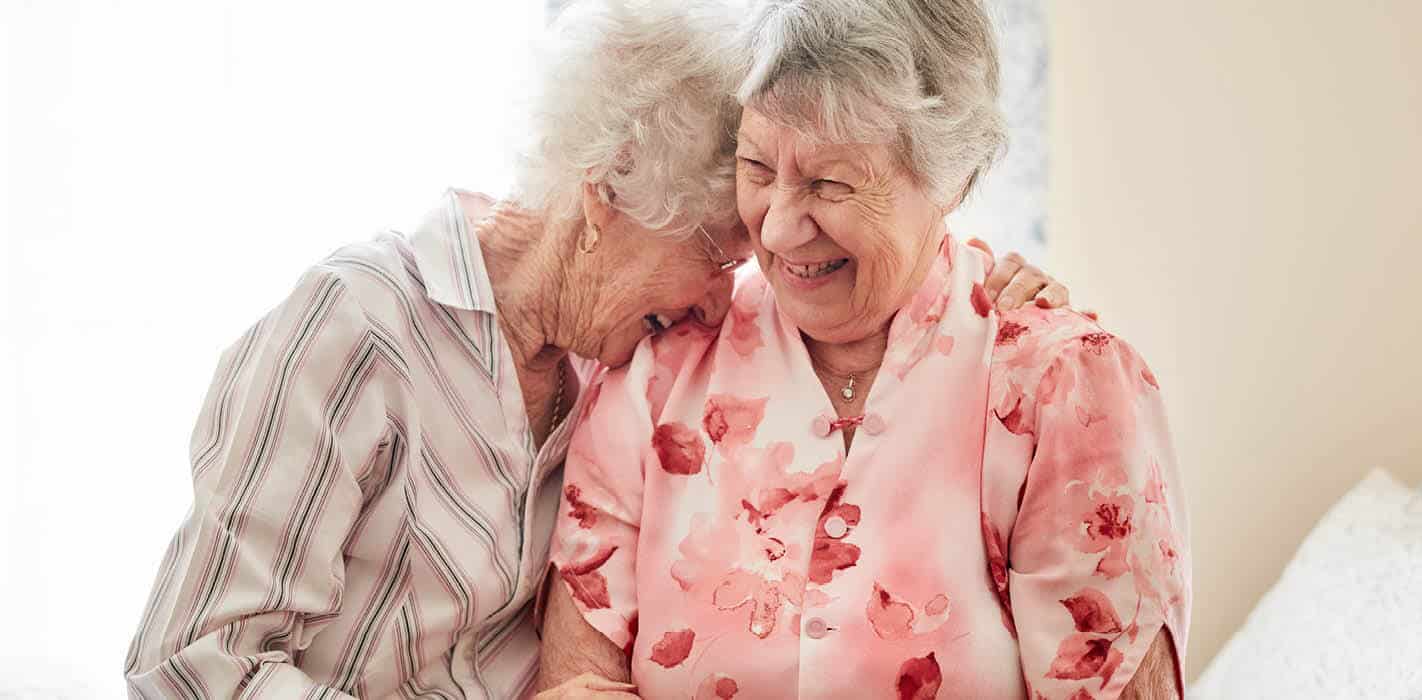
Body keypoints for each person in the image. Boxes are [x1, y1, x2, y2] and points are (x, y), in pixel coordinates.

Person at [122, 0, 1067, 696]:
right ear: (608, 191)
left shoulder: (617, 373)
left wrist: (981, 290)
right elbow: (192, 659)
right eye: (710, 253)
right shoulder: (356, 328)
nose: (718, 298)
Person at [538, 0, 1187, 698]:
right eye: (756, 168)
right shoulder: (656, 375)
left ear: (950, 178)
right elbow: (575, 684)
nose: (780, 229)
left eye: (829, 183)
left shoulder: (1062, 387)